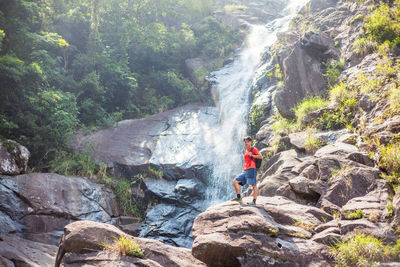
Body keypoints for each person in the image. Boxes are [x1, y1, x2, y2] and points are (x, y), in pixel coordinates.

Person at [231, 136, 262, 205]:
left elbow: (260, 156)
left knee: (253, 185)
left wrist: (253, 155)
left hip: (251, 169)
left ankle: (254, 201)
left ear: (251, 142)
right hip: (246, 170)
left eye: (247, 141)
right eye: (245, 142)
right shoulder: (245, 151)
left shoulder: (253, 149)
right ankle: (239, 198)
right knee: (235, 181)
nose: (246, 143)